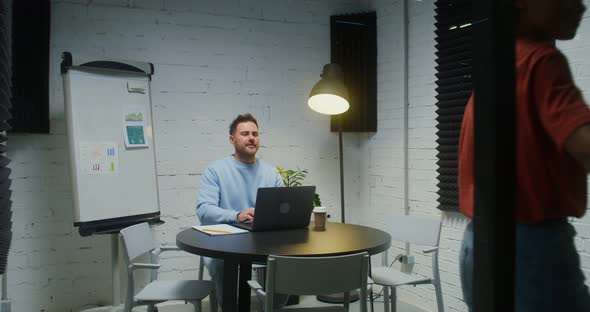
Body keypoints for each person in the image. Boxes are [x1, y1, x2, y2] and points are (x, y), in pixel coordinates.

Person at [458, 0, 590, 311]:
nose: (581, 6)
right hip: (532, 249)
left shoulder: (498, 66)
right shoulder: (542, 61)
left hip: (478, 242)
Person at [196, 113, 286, 305]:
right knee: (221, 265)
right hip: (225, 244)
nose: (251, 137)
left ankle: (272, 308)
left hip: (263, 243)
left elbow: (283, 209)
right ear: (232, 139)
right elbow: (204, 210)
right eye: (245, 133)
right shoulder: (216, 170)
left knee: (287, 260)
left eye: (255, 133)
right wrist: (237, 215)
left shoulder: (271, 172)